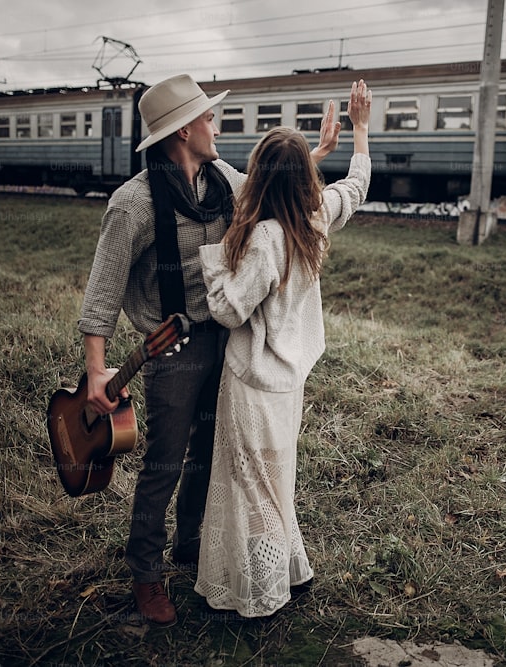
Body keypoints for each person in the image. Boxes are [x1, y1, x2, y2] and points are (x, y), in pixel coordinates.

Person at [77, 73, 340, 626]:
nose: (214, 126)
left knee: (209, 454)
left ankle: (192, 545)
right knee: (164, 462)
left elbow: (274, 182)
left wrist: (312, 155)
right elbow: (101, 292)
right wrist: (97, 372)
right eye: (207, 118)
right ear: (181, 131)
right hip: (170, 351)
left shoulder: (223, 177)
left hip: (228, 338)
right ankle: (146, 574)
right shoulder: (132, 205)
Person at [194, 80, 371, 617]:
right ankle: (288, 572)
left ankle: (259, 591)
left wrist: (216, 263)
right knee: (277, 480)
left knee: (253, 489)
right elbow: (356, 186)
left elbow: (228, 310)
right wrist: (359, 131)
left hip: (252, 388)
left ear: (260, 176)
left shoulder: (265, 241)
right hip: (289, 386)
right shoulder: (313, 221)